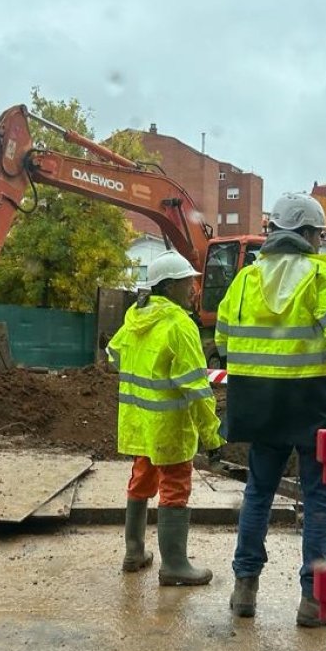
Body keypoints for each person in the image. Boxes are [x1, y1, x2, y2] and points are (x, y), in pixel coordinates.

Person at [216, 192, 326, 627]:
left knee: (258, 495)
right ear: (307, 233)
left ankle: (244, 589)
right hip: (311, 406)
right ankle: (313, 600)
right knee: (319, 501)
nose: (321, 242)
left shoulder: (244, 281)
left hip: (257, 406)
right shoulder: (320, 278)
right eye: (319, 234)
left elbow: (224, 343)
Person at [106, 250, 223, 586]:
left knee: (141, 481)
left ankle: (134, 552)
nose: (193, 289)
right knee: (174, 488)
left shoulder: (134, 318)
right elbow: (196, 389)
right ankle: (174, 566)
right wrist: (212, 437)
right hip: (169, 426)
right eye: (188, 282)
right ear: (169, 286)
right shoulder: (178, 325)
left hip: (139, 422)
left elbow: (114, 353)